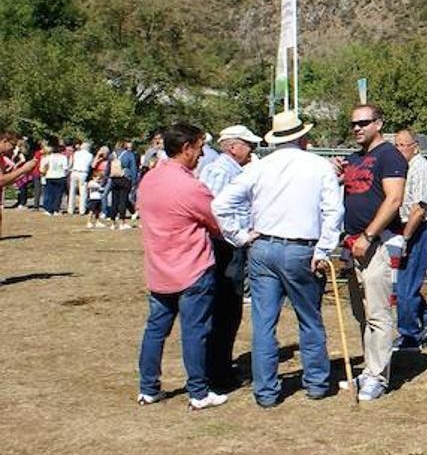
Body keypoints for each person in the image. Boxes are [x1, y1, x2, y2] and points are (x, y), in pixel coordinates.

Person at [213, 110, 343, 407]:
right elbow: (333, 211)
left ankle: (267, 391)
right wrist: (324, 249)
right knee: (309, 319)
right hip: (302, 249)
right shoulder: (319, 166)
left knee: (264, 323)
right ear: (302, 137)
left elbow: (220, 204)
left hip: (263, 248)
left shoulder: (259, 167)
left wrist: (240, 236)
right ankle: (316, 384)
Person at [134, 122, 227, 410]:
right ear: (186, 148)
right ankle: (198, 392)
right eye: (199, 148)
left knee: (155, 330)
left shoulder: (149, 180)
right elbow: (216, 223)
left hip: (159, 268)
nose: (202, 155)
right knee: (195, 331)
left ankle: (148, 388)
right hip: (192, 269)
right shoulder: (191, 186)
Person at [333, 104, 407, 402]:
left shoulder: (390, 156)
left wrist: (368, 235)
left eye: (364, 122)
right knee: (360, 312)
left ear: (379, 124)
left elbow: (394, 199)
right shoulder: (355, 158)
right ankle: (370, 367)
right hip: (353, 244)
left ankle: (378, 375)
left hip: (375, 243)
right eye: (353, 123)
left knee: (377, 312)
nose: (357, 128)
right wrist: (337, 172)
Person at [199, 124, 263, 391]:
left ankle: (219, 366)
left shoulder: (226, 170)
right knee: (226, 309)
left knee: (228, 309)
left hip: (226, 245)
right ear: (234, 147)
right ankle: (218, 371)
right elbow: (213, 210)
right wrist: (240, 235)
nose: (253, 151)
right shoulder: (220, 171)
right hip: (224, 247)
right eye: (250, 145)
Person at [392, 128, 427, 351]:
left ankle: (410, 335)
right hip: (406, 228)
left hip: (417, 229)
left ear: (415, 146)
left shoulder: (421, 169)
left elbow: (418, 209)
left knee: (406, 287)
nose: (399, 149)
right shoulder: (405, 168)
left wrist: (405, 237)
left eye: (403, 145)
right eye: (396, 145)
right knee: (400, 284)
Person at [108, 139, 139, 229]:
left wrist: (106, 179)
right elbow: (133, 169)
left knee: (114, 200)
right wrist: (134, 181)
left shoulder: (112, 155)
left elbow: (108, 168)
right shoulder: (129, 155)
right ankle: (122, 222)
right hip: (125, 178)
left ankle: (113, 223)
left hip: (114, 178)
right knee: (123, 200)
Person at [39, 138, 69, 215]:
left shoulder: (48, 157)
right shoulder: (63, 157)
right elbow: (65, 168)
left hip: (49, 176)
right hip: (60, 176)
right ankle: (56, 209)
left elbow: (43, 167)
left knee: (49, 193)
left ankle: (48, 209)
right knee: (58, 194)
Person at [85, 147, 108, 228]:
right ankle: (89, 222)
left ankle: (97, 221)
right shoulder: (92, 183)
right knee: (91, 210)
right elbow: (92, 166)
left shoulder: (107, 161)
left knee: (98, 210)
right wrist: (98, 157)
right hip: (93, 198)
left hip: (98, 198)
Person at [68, 140, 93, 215]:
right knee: (83, 192)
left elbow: (71, 163)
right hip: (83, 173)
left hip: (74, 172)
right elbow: (90, 165)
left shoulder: (76, 153)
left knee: (72, 191)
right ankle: (82, 210)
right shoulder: (90, 155)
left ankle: (70, 209)